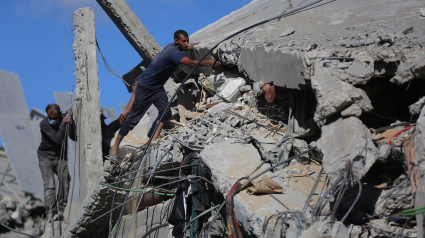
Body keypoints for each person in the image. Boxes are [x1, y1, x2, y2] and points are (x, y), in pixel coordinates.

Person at [108, 30, 220, 157]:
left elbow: (178, 50)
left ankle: (153, 141)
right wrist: (209, 62)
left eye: (187, 40)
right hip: (145, 88)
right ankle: (115, 147)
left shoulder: (171, 47)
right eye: (184, 41)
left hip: (157, 88)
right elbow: (189, 63)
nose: (186, 43)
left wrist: (187, 47)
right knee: (133, 119)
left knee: (165, 112)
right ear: (176, 41)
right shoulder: (173, 52)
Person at [37, 104, 75, 222]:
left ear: (60, 114)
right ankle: (50, 213)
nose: (52, 121)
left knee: (65, 180)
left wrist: (71, 122)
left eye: (55, 118)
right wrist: (63, 124)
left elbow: (74, 137)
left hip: (60, 158)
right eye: (50, 118)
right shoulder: (44, 124)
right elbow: (57, 140)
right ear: (47, 114)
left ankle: (60, 209)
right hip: (45, 158)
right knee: (50, 185)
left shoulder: (65, 117)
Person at [101, 81, 137, 158]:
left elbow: (126, 112)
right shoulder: (92, 137)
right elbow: (74, 135)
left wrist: (134, 93)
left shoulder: (110, 128)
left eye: (101, 119)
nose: (101, 122)